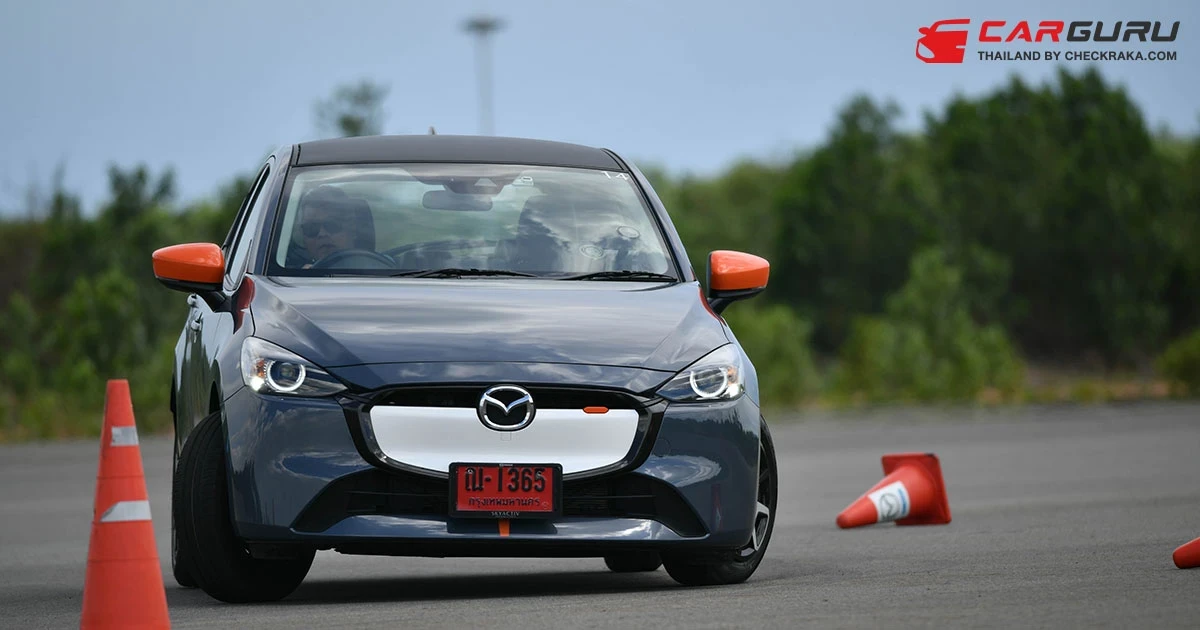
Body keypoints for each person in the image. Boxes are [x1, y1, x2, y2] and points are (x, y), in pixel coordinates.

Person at [296, 185, 356, 267]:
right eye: (311, 228)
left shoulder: (374, 270)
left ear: (352, 229)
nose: (322, 234)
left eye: (332, 225)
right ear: (303, 236)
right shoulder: (287, 272)